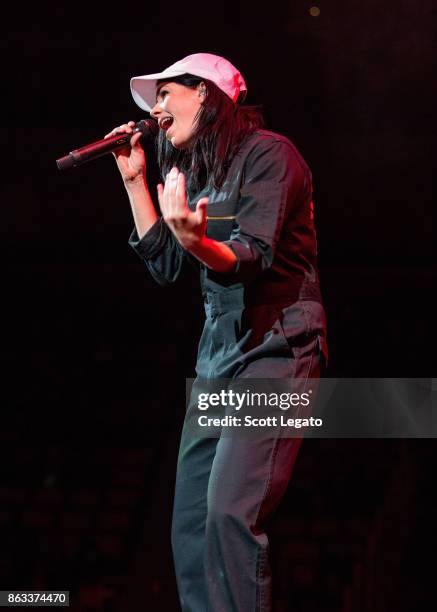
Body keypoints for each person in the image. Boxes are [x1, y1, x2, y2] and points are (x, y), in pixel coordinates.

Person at [106, 53, 328, 612]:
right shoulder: (200, 171)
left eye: (165, 94)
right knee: (192, 523)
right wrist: (137, 183)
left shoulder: (270, 155)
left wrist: (197, 241)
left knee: (231, 510)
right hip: (218, 359)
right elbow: (166, 267)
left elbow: (252, 254)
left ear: (204, 93)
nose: (156, 109)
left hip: (277, 348)